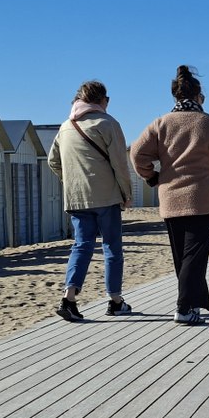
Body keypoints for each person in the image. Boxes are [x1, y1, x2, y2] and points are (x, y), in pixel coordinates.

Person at [130, 65, 209, 325]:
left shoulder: (160, 124)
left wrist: (151, 176)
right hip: (202, 200)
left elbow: (137, 154)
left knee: (181, 255)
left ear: (175, 97)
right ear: (199, 97)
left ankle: (194, 301)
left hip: (170, 200)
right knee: (194, 255)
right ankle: (184, 308)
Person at [48, 80, 133, 321]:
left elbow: (53, 161)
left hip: (77, 197)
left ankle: (69, 298)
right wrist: (127, 194)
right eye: (108, 99)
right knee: (112, 248)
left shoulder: (65, 126)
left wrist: (73, 179)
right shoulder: (108, 123)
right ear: (101, 100)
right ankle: (115, 301)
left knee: (82, 245)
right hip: (106, 196)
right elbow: (120, 164)